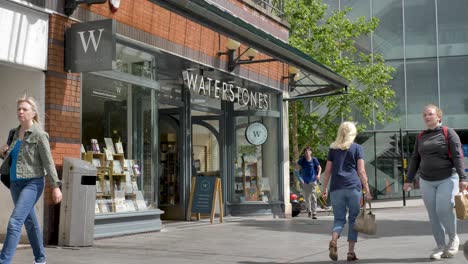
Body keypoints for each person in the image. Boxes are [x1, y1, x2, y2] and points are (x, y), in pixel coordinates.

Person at [0, 96, 62, 264]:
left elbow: (48, 162)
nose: (20, 111)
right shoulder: (13, 133)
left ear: (33, 113)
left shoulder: (40, 135)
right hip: (15, 183)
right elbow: (13, 157)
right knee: (30, 222)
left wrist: (55, 186)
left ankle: (3, 261)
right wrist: (3, 153)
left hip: (33, 183)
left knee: (14, 222)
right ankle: (40, 259)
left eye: (24, 109)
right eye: (19, 109)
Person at [403, 104, 468, 260]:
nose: (427, 117)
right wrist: (409, 179)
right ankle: (439, 246)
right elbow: (415, 158)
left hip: (447, 177)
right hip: (426, 180)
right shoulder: (421, 136)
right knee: (433, 215)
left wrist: (463, 178)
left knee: (443, 209)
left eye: (430, 114)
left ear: (439, 116)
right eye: (424, 115)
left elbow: (458, 156)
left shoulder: (448, 133)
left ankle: (453, 239)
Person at [321, 122, 372, 261]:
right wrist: (367, 190)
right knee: (353, 220)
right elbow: (361, 171)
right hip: (353, 187)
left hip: (336, 188)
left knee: (339, 219)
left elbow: (327, 171)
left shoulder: (333, 149)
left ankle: (334, 240)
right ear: (353, 133)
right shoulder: (357, 148)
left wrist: (324, 189)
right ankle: (350, 253)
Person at [294, 146, 321, 219]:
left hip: (313, 181)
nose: (307, 152)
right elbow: (296, 171)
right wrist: (300, 179)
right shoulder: (302, 160)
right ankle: (309, 210)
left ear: (311, 152)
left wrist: (318, 175)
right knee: (307, 198)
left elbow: (319, 167)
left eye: (308, 151)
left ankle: (314, 212)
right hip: (305, 182)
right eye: (306, 151)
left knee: (313, 196)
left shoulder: (314, 160)